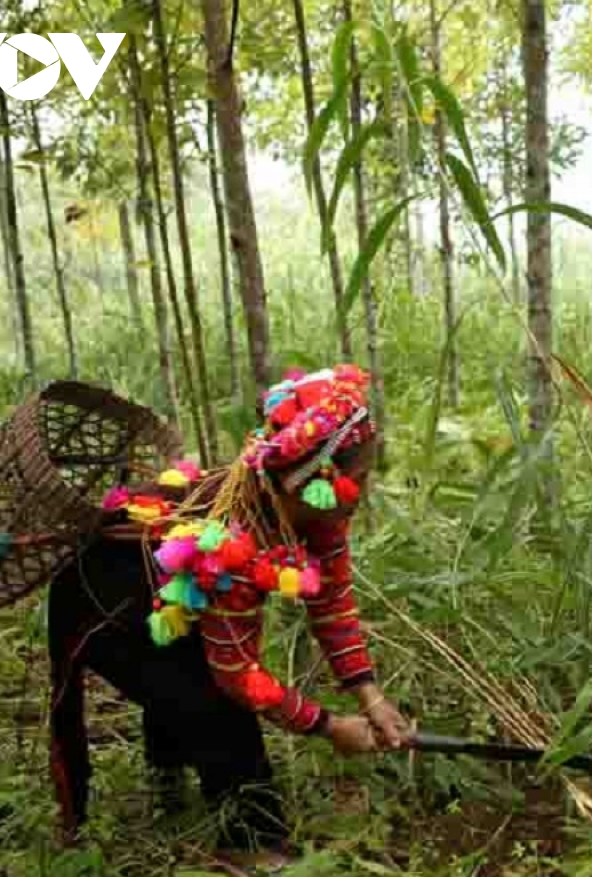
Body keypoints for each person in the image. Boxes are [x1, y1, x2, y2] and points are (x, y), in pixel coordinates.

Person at [47, 364, 410, 870]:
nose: (364, 490)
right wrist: (328, 726)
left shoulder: (317, 512)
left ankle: (175, 785)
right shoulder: (233, 545)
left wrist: (369, 694)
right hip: (103, 601)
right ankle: (250, 843)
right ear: (317, 482)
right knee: (213, 704)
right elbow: (241, 679)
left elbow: (331, 600)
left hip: (161, 589)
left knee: (189, 667)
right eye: (362, 477)